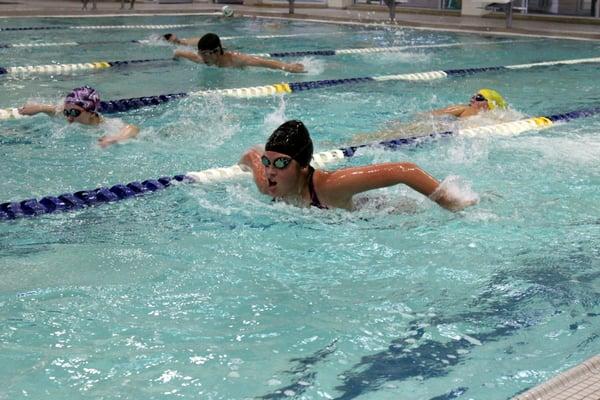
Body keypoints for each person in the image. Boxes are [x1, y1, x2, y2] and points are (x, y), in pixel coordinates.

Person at [239, 120, 477, 211]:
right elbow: (251, 154)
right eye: (268, 162)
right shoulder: (267, 184)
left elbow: (403, 170)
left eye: (281, 163)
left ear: (302, 166)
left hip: (378, 213)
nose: (270, 171)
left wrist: (446, 201)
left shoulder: (330, 187)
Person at [17, 86, 139, 148]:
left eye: (75, 113)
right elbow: (49, 109)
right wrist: (38, 108)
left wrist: (114, 138)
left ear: (91, 112)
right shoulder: (64, 114)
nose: (69, 118)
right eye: (67, 112)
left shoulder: (104, 124)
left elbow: (133, 129)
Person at [173, 33, 305, 73]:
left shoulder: (237, 60)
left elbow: (266, 62)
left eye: (206, 54)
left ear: (217, 51)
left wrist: (290, 67)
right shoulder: (201, 58)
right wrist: (175, 57)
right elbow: (179, 52)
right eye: (201, 53)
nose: (203, 57)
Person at [431, 88, 507, 118]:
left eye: (479, 97)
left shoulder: (467, 109)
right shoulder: (464, 108)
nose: (473, 98)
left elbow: (430, 116)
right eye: (473, 96)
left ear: (487, 105)